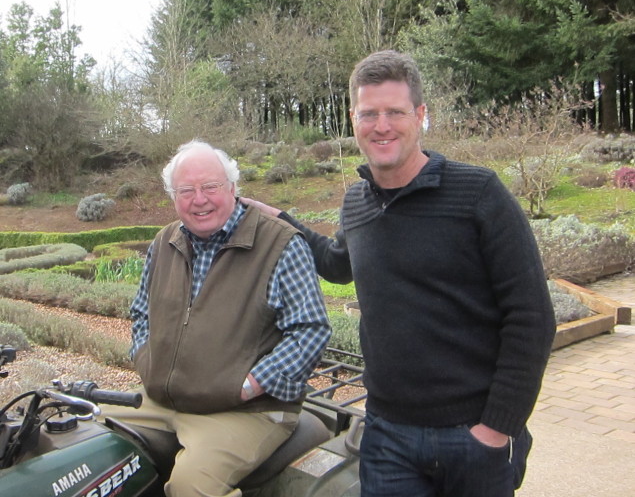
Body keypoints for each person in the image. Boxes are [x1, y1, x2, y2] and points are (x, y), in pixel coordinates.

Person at [242, 50, 556, 496]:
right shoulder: (358, 202)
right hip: (388, 435)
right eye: (369, 113)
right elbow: (338, 265)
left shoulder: (478, 194)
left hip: (471, 434)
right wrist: (281, 220)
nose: (382, 125)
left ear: (420, 115)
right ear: (354, 119)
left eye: (395, 112)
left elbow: (532, 317)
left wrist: (496, 429)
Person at [104, 140, 331, 497]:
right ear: (173, 196)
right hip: (160, 400)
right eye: (186, 190)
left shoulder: (280, 244)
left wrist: (247, 385)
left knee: (191, 486)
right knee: (88, 446)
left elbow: (311, 330)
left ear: (232, 187)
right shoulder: (165, 241)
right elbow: (141, 312)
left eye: (210, 186)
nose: (199, 199)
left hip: (245, 411)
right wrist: (146, 359)